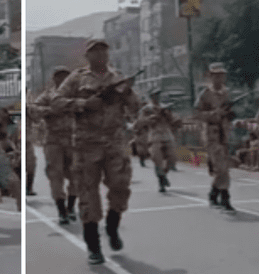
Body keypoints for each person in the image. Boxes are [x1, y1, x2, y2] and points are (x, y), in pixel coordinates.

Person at [52, 39, 139, 265]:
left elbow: (135, 107)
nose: (100, 54)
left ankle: (112, 226)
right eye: (95, 51)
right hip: (85, 145)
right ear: (87, 56)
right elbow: (56, 102)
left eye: (104, 50)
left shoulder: (116, 77)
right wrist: (83, 104)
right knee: (88, 195)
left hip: (114, 143)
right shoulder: (77, 78)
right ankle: (93, 246)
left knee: (121, 187)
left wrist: (127, 92)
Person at [33, 66, 79, 224]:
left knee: (76, 175)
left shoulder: (74, 94)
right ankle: (62, 211)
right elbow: (33, 110)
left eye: (66, 76)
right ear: (54, 79)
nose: (63, 79)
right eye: (59, 76)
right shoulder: (48, 95)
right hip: (53, 139)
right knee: (55, 174)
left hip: (72, 139)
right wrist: (51, 111)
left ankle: (71, 207)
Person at [194, 62, 237, 214]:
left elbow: (231, 112)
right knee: (221, 167)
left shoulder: (227, 93)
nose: (219, 78)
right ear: (210, 76)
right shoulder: (205, 94)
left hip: (224, 133)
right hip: (211, 133)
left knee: (224, 166)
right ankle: (225, 197)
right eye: (216, 75)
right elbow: (198, 114)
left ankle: (214, 193)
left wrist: (229, 114)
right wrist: (214, 114)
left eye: (221, 75)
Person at [137, 88, 181, 193]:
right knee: (157, 159)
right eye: (154, 95)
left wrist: (169, 115)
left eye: (158, 94)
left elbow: (173, 120)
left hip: (167, 135)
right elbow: (140, 122)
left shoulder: (164, 106)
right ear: (151, 96)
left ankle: (163, 174)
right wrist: (153, 117)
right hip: (155, 135)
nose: (157, 96)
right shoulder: (146, 109)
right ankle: (161, 180)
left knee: (172, 158)